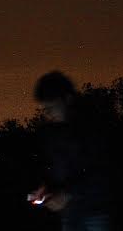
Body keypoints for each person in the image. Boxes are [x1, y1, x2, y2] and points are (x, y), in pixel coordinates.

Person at [28, 71, 112, 231]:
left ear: (67, 100)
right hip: (71, 214)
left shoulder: (91, 128)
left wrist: (68, 193)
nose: (48, 113)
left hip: (95, 212)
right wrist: (47, 190)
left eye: (52, 107)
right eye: (45, 109)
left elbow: (100, 173)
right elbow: (55, 170)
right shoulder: (51, 133)